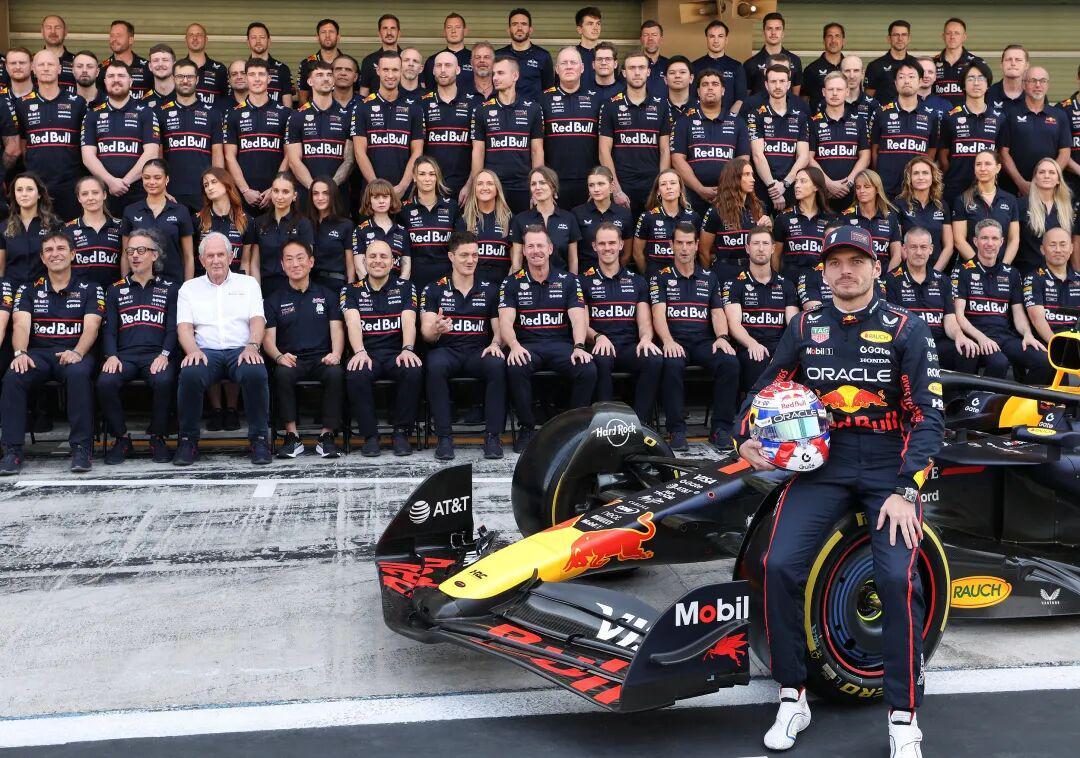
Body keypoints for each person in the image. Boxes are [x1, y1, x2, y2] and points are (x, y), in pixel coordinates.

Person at [735, 225, 942, 756]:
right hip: (822, 463)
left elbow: (928, 418)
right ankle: (792, 695)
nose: (845, 271)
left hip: (888, 465)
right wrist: (746, 435)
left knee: (895, 578)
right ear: (824, 271)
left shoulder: (908, 329)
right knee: (778, 565)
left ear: (876, 267)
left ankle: (903, 716)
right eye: (835, 263)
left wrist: (907, 489)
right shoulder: (806, 324)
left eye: (856, 261)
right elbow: (767, 387)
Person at [0, 230, 104, 474]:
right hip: (38, 354)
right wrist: (20, 353)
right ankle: (12, 450)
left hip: (75, 353)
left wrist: (77, 352)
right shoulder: (28, 289)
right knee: (14, 376)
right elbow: (21, 324)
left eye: (60, 249)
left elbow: (92, 326)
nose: (54, 254)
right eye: (48, 250)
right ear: (42, 258)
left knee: (78, 375)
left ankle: (81, 448)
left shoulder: (91, 288)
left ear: (73, 254)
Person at [174, 231, 271, 465]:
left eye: (220, 254)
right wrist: (193, 351)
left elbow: (258, 319)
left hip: (241, 350)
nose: (216, 260)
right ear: (201, 260)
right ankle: (188, 441)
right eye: (210, 256)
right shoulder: (189, 288)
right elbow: (184, 328)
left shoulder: (248, 284)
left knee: (256, 372)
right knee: (190, 374)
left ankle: (259, 440)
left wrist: (253, 346)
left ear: (230, 257)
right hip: (206, 352)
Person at [499, 224, 594, 451]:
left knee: (588, 368)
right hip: (528, 346)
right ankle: (527, 427)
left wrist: (579, 346)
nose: (536, 251)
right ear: (524, 251)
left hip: (560, 345)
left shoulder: (569, 280)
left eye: (540, 245)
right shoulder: (511, 282)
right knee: (515, 366)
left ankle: (574, 430)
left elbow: (578, 317)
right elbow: (505, 321)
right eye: (530, 246)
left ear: (550, 249)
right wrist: (514, 346)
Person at [650, 221, 739, 451]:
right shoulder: (660, 277)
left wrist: (722, 337)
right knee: (671, 364)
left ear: (697, 245)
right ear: (671, 245)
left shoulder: (709, 277)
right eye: (679, 243)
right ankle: (676, 430)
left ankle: (721, 429)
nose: (684, 248)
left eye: (689, 243)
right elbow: (658, 313)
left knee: (730, 362)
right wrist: (667, 341)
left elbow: (717, 312)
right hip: (674, 341)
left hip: (703, 342)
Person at [420, 230, 505, 460]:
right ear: (451, 257)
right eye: (464, 255)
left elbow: (499, 328)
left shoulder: (490, 289)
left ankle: (493, 437)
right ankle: (444, 438)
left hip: (479, 351)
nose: (470, 260)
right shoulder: (434, 288)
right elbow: (426, 333)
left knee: (497, 364)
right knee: (435, 365)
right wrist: (436, 329)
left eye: (474, 255)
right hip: (447, 350)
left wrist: (495, 343)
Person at [97, 229, 179, 464]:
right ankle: (122, 438)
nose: (134, 255)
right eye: (130, 251)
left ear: (154, 255)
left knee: (164, 380)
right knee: (105, 382)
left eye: (141, 250)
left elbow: (173, 328)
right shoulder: (114, 289)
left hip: (157, 354)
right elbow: (109, 330)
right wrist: (111, 356)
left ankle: (158, 437)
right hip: (124, 356)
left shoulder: (171, 288)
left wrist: (165, 355)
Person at [262, 238, 344, 459]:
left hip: (322, 358)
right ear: (282, 265)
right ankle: (292, 436)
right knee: (281, 374)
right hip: (291, 359)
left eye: (300, 258)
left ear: (311, 262)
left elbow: (337, 329)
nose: (295, 264)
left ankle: (326, 436)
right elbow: (268, 338)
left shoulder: (327, 295)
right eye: (289, 259)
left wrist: (336, 354)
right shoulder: (273, 299)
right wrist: (279, 356)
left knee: (336, 373)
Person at [342, 239, 421, 457]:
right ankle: (370, 436)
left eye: (383, 256)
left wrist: (407, 348)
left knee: (412, 369)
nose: (378, 261)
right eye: (373, 256)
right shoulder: (351, 290)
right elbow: (352, 321)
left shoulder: (406, 287)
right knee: (356, 372)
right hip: (368, 353)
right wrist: (359, 351)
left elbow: (409, 319)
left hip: (396, 352)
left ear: (393, 261)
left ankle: (401, 433)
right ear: (364, 261)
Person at [581, 221, 662, 420]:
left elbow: (644, 322)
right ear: (594, 246)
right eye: (602, 243)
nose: (607, 248)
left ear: (620, 245)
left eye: (611, 243)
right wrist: (597, 337)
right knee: (600, 358)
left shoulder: (637, 281)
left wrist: (646, 339)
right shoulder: (583, 281)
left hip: (628, 346)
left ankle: (641, 423)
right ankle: (606, 422)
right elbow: (581, 324)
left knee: (653, 359)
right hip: (598, 345)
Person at [952, 218, 1047, 382]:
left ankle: (1019, 396)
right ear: (975, 241)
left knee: (1044, 361)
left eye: (994, 238)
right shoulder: (962, 271)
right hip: (975, 336)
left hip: (1005, 337)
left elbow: (1018, 314)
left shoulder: (1012, 273)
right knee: (999, 363)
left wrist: (1027, 334)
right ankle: (980, 398)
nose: (990, 243)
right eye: (984, 238)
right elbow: (958, 316)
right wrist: (981, 338)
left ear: (1002, 242)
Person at [723, 225, 799, 392]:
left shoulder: (786, 284)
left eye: (765, 243)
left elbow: (793, 324)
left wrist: (783, 352)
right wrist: (752, 344)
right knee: (757, 358)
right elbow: (733, 324)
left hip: (779, 346)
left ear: (773, 248)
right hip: (748, 346)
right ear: (747, 248)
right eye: (756, 243)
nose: (761, 248)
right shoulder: (735, 283)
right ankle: (752, 406)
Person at [885, 226, 972, 370]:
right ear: (904, 249)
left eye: (923, 247)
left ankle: (958, 387)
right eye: (913, 247)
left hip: (938, 343)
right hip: (908, 344)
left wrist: (959, 335)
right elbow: (892, 325)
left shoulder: (943, 280)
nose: (919, 252)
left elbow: (950, 321)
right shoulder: (892, 280)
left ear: (931, 249)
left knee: (967, 349)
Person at [80, 59, 160, 216]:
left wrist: (125, 182)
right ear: (105, 81)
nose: (116, 80)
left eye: (121, 76)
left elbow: (151, 153)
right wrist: (111, 182)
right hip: (103, 192)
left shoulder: (146, 112)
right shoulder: (92, 115)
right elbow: (87, 157)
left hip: (138, 191)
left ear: (130, 81)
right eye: (111, 76)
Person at [598, 50, 672, 219]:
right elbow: (603, 151)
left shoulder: (661, 105)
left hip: (652, 185)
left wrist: (661, 186)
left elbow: (665, 150)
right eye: (632, 68)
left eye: (641, 67)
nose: (637, 72)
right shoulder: (610, 105)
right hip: (622, 184)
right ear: (624, 73)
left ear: (648, 72)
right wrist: (616, 190)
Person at [467, 55, 544, 214]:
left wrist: (537, 186)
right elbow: (478, 151)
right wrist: (476, 186)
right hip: (493, 186)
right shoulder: (482, 109)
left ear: (515, 76)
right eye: (494, 74)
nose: (495, 78)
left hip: (523, 186)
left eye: (501, 73)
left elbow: (537, 150)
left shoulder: (533, 108)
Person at [14, 50, 86, 221]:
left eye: (51, 64)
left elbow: (84, 143)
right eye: (41, 64)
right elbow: (23, 143)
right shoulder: (22, 104)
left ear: (59, 69)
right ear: (33, 69)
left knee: (69, 232)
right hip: (37, 184)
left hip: (70, 183)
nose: (46, 68)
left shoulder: (77, 102)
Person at [671, 68, 750, 216]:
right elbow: (677, 160)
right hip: (691, 196)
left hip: (728, 196)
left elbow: (743, 161)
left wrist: (727, 189)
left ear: (723, 90)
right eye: (705, 84)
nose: (710, 88)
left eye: (715, 84)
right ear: (698, 91)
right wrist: (700, 189)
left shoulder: (738, 122)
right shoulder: (683, 121)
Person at [223, 58, 291, 216]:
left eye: (261, 74)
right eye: (252, 74)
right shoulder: (233, 114)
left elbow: (290, 155)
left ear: (269, 78)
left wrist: (276, 188)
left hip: (277, 194)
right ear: (246, 78)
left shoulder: (285, 113)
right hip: (244, 194)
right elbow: (229, 156)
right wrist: (245, 190)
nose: (257, 79)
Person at [351, 51, 423, 199]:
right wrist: (376, 186)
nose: (390, 75)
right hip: (372, 191)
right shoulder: (362, 107)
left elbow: (417, 151)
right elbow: (359, 152)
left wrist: (403, 186)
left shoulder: (414, 107)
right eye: (385, 70)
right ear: (378, 71)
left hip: (405, 191)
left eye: (395, 70)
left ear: (401, 71)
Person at [157, 58, 225, 214]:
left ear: (197, 79)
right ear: (173, 79)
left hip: (203, 191)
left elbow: (217, 154)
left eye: (190, 76)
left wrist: (218, 186)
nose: (185, 81)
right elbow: (158, 155)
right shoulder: (161, 112)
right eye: (180, 76)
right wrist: (161, 188)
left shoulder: (213, 113)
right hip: (171, 191)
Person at [541, 47, 600, 212]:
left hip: (589, 182)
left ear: (582, 68)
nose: (568, 66)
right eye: (564, 63)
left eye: (573, 62)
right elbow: (536, 146)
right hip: (553, 182)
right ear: (556, 69)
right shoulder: (542, 99)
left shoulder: (597, 99)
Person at [871, 61, 939, 199]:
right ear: (896, 83)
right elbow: (874, 149)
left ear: (920, 81)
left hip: (917, 188)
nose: (906, 81)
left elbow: (932, 149)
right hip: (886, 188)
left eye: (911, 77)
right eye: (901, 77)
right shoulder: (881, 113)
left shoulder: (931, 115)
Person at [999, 67, 1070, 197]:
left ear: (1048, 85)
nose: (1038, 85)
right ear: (1023, 84)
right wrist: (1020, 183)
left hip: (1050, 190)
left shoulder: (1059, 115)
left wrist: (1049, 179)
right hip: (1015, 190)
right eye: (1033, 80)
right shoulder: (1009, 114)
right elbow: (1003, 153)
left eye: (1043, 81)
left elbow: (1065, 152)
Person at [748, 65, 811, 212]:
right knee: (761, 226)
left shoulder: (800, 116)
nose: (777, 86)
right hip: (763, 186)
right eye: (773, 81)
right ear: (766, 85)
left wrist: (785, 184)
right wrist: (773, 187)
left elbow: (803, 156)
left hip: (791, 186)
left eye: (782, 81)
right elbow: (757, 155)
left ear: (788, 84)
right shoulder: (756, 114)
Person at [120, 160, 195, 283]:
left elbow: (188, 256)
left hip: (173, 283)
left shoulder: (181, 211)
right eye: (147, 178)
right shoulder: (131, 211)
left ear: (167, 179)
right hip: (139, 284)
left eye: (157, 177)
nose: (151, 182)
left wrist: (187, 288)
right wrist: (126, 285)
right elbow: (125, 255)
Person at [699, 157, 771, 284]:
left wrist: (769, 229)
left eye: (752, 174)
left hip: (753, 270)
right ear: (734, 178)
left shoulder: (759, 207)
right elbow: (703, 251)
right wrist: (710, 278)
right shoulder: (716, 210)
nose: (753, 179)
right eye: (747, 174)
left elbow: (767, 246)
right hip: (725, 271)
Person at [287, 61, 353, 197]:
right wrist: (315, 190)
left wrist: (330, 188)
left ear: (333, 80)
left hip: (338, 194)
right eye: (319, 75)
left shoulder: (347, 115)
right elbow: (294, 161)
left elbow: (350, 160)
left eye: (329, 75)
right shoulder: (297, 116)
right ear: (310, 81)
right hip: (306, 193)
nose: (326, 79)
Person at [938, 61, 1001, 205]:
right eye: (971, 78)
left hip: (987, 189)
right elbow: (943, 156)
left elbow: (1001, 154)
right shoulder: (950, 116)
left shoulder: (999, 118)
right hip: (955, 188)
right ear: (963, 85)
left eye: (981, 78)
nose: (976, 83)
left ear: (988, 84)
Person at [808, 71, 871, 212]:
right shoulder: (813, 122)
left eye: (839, 89)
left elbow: (865, 157)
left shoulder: (859, 121)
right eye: (830, 89)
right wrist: (828, 183)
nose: (835, 93)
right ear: (824, 92)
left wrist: (849, 183)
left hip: (852, 192)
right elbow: (808, 157)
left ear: (847, 92)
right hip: (822, 192)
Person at [247, 172, 315, 296]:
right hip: (266, 287)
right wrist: (256, 293)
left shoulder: (303, 223)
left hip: (294, 288)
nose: (279, 196)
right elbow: (255, 263)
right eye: (276, 191)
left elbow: (306, 262)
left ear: (294, 196)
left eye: (285, 192)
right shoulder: (259, 222)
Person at [422, 51, 477, 200]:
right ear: (433, 70)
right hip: (429, 185)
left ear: (457, 70)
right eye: (438, 66)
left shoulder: (474, 103)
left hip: (464, 187)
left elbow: (479, 149)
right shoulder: (422, 103)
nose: (443, 70)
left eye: (448, 65)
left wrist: (470, 185)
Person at [951, 151, 1020, 265]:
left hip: (1002, 267)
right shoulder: (962, 200)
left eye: (987, 164)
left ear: (998, 168)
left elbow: (1014, 239)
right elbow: (959, 240)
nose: (982, 168)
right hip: (972, 267)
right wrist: (979, 266)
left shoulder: (1010, 200)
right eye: (978, 164)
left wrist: (1003, 267)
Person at [400, 157, 458, 291]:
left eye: (432, 174)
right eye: (422, 174)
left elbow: (458, 245)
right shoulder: (404, 209)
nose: (427, 179)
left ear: (437, 177)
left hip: (446, 277)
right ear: (414, 177)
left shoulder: (451, 206)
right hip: (415, 276)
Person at [510, 166, 580, 272]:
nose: (537, 187)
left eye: (542, 183)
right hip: (529, 280)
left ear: (553, 186)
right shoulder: (520, 219)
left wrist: (573, 281)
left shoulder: (568, 218)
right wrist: (517, 281)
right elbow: (517, 259)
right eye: (533, 184)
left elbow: (573, 259)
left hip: (562, 280)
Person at [632, 168, 699, 276]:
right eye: (663, 184)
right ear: (658, 191)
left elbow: (698, 251)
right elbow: (637, 253)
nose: (668, 187)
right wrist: (649, 276)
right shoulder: (647, 217)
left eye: (673, 183)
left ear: (681, 189)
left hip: (685, 278)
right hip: (655, 279)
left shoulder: (693, 217)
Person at [1016, 158, 1077, 275]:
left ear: (1058, 180)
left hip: (1059, 275)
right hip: (1028, 273)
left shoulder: (1069, 209)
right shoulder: (1020, 205)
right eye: (1042, 172)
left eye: (1052, 172)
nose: (1046, 176)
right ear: (1035, 179)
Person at [772, 167, 835, 277]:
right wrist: (776, 282)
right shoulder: (783, 218)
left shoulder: (830, 219)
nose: (797, 185)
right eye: (796, 181)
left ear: (816, 186)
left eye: (803, 181)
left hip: (821, 281)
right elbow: (775, 255)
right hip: (791, 281)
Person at [0, 173, 60, 286]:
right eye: (19, 190)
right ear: (14, 194)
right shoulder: (3, 227)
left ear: (39, 194)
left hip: (44, 290)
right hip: (11, 290)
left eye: (29, 189)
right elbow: (0, 270)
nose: (24, 194)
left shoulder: (55, 225)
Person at [572, 165, 634, 273]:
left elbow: (627, 253)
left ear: (612, 186)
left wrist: (613, 271)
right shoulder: (577, 213)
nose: (596, 189)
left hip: (615, 275)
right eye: (591, 185)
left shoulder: (624, 214)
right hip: (585, 274)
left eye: (601, 184)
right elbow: (573, 253)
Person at [895, 157, 953, 271]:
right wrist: (914, 269)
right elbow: (897, 243)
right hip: (908, 270)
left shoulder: (942, 205)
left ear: (932, 177)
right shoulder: (899, 205)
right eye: (916, 173)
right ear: (909, 178)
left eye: (925, 173)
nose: (921, 177)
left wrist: (935, 272)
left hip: (936, 270)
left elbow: (949, 246)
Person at [1023, 227, 1080, 345]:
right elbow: (1037, 319)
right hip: (1048, 343)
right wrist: (1056, 346)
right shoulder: (1033, 278)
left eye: (1063, 245)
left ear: (1071, 248)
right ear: (1042, 249)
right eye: (1052, 245)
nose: (1058, 250)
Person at [455, 169, 512, 285]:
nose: (484, 188)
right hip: (473, 284)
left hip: (502, 282)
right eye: (480, 184)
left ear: (497, 189)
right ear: (474, 189)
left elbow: (515, 258)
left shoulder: (510, 219)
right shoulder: (464, 220)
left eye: (490, 183)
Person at [66, 176, 122, 287]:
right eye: (85, 194)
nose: (90, 198)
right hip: (80, 294)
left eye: (95, 192)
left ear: (104, 195)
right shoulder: (67, 229)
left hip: (113, 292)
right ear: (79, 198)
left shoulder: (120, 226)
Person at [841, 168, 903, 269]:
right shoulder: (846, 216)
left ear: (877, 189)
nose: (862, 191)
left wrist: (886, 276)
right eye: (858, 187)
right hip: (856, 274)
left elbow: (897, 255)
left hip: (884, 275)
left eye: (867, 187)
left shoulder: (889, 216)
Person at [352, 179, 410, 279]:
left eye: (385, 197)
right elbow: (359, 268)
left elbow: (406, 267)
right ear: (369, 200)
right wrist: (372, 286)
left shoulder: (402, 231)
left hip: (397, 287)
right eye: (376, 197)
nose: (381, 201)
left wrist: (400, 285)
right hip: (370, 287)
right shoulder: (360, 230)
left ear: (391, 199)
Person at [196, 168, 249, 272]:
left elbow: (245, 262)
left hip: (235, 280)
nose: (210, 188)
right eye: (206, 185)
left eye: (214, 182)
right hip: (204, 279)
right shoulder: (198, 219)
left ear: (226, 183)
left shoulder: (245, 219)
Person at [496, 9, 554, 103]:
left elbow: (549, 90)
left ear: (530, 30)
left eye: (524, 24)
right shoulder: (498, 56)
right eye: (515, 24)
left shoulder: (543, 56)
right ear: (509, 30)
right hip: (504, 110)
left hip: (534, 110)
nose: (519, 28)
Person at [692, 20, 745, 115]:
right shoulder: (695, 66)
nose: (716, 41)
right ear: (707, 39)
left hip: (729, 119)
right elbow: (692, 97)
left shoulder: (736, 66)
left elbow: (740, 99)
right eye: (712, 36)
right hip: (701, 119)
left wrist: (729, 118)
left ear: (726, 40)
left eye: (720, 36)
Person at [308, 178, 354, 287]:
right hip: (310, 285)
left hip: (336, 283)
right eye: (315, 193)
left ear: (333, 195)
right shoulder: (305, 223)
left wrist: (350, 289)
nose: (320, 198)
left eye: (325, 193)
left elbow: (350, 264)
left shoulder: (345, 225)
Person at [744, 12, 803, 98]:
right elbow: (746, 97)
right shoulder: (750, 63)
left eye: (778, 28)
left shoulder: (795, 60)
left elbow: (796, 95)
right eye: (769, 28)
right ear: (763, 32)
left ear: (783, 33)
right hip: (759, 107)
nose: (773, 32)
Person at [932, 18, 987, 108]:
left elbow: (985, 92)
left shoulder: (976, 63)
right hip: (937, 114)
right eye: (948, 33)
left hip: (966, 115)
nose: (952, 37)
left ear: (964, 37)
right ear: (943, 36)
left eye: (956, 33)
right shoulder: (933, 63)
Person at [863, 20, 915, 104]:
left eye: (904, 35)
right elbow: (868, 99)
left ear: (909, 39)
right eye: (896, 35)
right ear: (889, 39)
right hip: (883, 112)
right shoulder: (875, 66)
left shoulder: (916, 64)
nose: (900, 39)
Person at [298, 19, 345, 105]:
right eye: (323, 32)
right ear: (317, 37)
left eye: (331, 32)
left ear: (338, 37)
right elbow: (302, 98)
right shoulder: (307, 63)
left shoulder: (348, 63)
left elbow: (356, 93)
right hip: (315, 112)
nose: (327, 36)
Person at [422, 13, 473, 94]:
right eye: (449, 27)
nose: (453, 31)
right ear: (444, 32)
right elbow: (428, 91)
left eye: (458, 27)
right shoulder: (433, 60)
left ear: (465, 31)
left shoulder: (474, 59)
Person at [97, 21, 149, 97]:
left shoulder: (147, 68)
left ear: (131, 40)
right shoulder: (102, 69)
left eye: (119, 35)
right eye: (112, 35)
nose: (114, 39)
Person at [245, 22, 292, 107]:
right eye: (253, 37)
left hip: (277, 114)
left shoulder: (282, 69)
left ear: (269, 41)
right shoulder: (242, 68)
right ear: (248, 42)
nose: (258, 41)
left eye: (262, 37)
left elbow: (287, 105)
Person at [183, 24, 228, 111]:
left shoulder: (220, 69)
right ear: (186, 40)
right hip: (184, 118)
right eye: (191, 35)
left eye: (199, 35)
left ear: (206, 40)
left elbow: (226, 99)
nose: (195, 38)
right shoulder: (178, 68)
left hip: (213, 118)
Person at [801, 22, 845, 110]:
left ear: (843, 41)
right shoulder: (811, 69)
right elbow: (803, 101)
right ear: (824, 40)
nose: (833, 40)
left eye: (837, 36)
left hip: (846, 118)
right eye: (829, 36)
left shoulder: (850, 68)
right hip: (818, 118)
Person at [359, 14, 402, 97]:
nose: (389, 32)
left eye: (393, 28)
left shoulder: (407, 59)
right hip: (375, 105)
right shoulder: (369, 61)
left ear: (399, 33)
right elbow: (364, 92)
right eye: (385, 28)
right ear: (379, 33)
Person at [840, 55, 881, 135]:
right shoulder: (828, 104)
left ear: (862, 73)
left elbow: (877, 137)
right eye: (847, 71)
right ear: (841, 73)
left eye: (856, 71)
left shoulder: (873, 104)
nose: (852, 76)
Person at [987, 45, 1028, 114]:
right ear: (1001, 65)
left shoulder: (1034, 94)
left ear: (1026, 65)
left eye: (1018, 60)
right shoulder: (988, 94)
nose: (1013, 63)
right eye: (1008, 59)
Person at [40, 14, 75, 90]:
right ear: (42, 32)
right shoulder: (33, 62)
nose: (53, 31)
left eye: (58, 27)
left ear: (65, 32)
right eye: (49, 27)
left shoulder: (77, 62)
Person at [141, 44, 177, 109]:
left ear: (174, 65)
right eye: (156, 60)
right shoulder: (142, 104)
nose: (160, 64)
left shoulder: (187, 99)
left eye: (165, 60)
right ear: (150, 66)